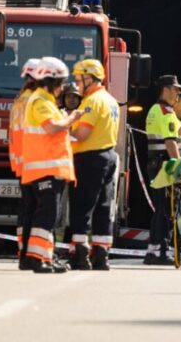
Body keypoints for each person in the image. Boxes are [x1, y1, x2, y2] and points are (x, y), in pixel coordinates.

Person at [21, 57, 81, 273]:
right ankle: (37, 258)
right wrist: (72, 118)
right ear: (50, 81)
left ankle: (44, 257)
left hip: (49, 168)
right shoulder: (40, 101)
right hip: (44, 168)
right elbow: (53, 128)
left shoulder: (45, 101)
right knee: (46, 215)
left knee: (50, 215)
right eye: (61, 83)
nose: (63, 88)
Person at [68, 59, 120, 271]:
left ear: (89, 77)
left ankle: (80, 255)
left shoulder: (91, 102)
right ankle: (101, 254)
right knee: (103, 207)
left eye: (79, 78)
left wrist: (66, 126)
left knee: (81, 206)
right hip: (108, 156)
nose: (77, 82)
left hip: (89, 158)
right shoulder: (111, 100)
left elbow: (82, 134)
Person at [144, 74, 181, 264]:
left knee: (163, 208)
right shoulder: (165, 112)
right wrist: (179, 166)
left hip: (157, 164)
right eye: (176, 90)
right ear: (165, 90)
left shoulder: (157, 109)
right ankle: (159, 252)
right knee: (166, 209)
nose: (178, 94)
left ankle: (155, 250)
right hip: (163, 166)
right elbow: (170, 143)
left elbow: (180, 138)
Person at [8, 58, 40, 269]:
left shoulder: (20, 99)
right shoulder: (34, 101)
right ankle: (33, 255)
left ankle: (24, 253)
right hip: (36, 161)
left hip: (22, 162)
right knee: (38, 210)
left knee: (27, 209)